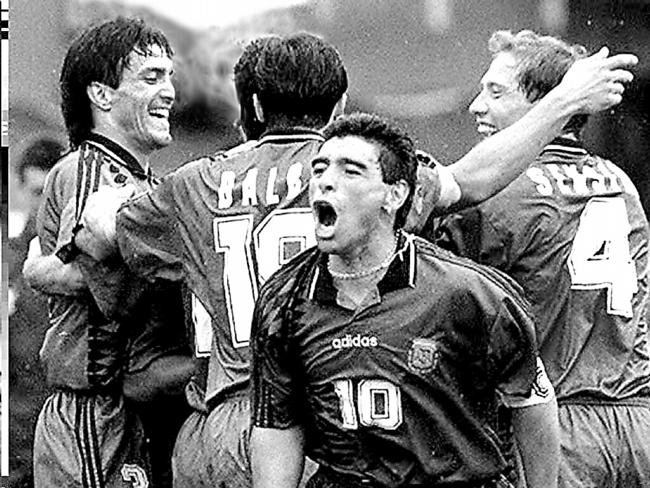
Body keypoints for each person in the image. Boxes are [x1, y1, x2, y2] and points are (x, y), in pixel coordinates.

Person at [70, 32, 636, 488]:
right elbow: (464, 184)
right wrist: (564, 103)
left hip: (222, 424)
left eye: (494, 91)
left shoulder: (193, 184)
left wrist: (86, 230)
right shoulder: (368, 174)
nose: (477, 105)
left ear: (255, 106)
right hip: (332, 415)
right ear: (339, 106)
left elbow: (100, 236)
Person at [249, 112, 559, 488]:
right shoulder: (283, 300)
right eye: (319, 169)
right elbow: (278, 427)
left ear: (394, 195)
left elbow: (532, 402)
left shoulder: (471, 293)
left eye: (351, 171)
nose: (325, 182)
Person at [431, 30, 650, 487]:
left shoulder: (496, 196)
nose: (476, 105)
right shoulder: (621, 182)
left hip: (555, 432)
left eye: (496, 92)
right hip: (637, 424)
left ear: (551, 106)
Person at [26, 17, 192, 488]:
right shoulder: (85, 167)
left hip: (138, 413)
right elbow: (107, 282)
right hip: (93, 412)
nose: (169, 92)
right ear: (101, 95)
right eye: (151, 77)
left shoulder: (152, 186)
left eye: (170, 76)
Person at [7, 137, 63, 488]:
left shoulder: (90, 261)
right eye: (35, 192)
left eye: (50, 193)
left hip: (67, 441)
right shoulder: (6, 261)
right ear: (18, 188)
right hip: (15, 447)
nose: (43, 206)